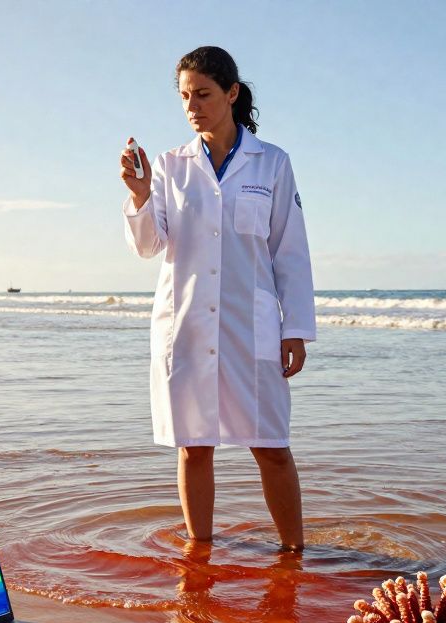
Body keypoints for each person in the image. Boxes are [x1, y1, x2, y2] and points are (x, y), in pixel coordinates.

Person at [120, 46, 316, 551]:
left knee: (271, 444)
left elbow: (289, 251)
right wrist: (141, 195)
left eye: (203, 94)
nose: (193, 107)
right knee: (194, 446)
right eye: (185, 97)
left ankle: (294, 553)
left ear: (231, 93)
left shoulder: (272, 163)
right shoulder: (169, 166)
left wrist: (295, 328)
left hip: (250, 326)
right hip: (185, 324)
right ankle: (199, 554)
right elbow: (149, 246)